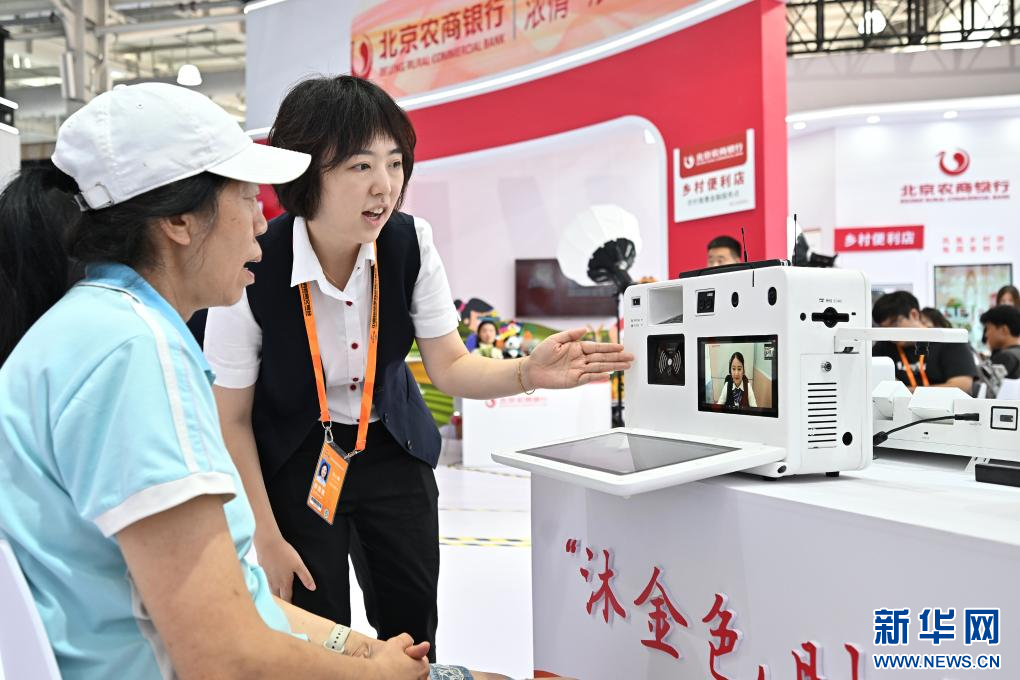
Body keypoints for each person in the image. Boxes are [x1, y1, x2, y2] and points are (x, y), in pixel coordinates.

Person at [0, 82, 541, 680]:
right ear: (178, 221)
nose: (263, 221)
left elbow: (235, 604)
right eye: (245, 197)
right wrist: (380, 673)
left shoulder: (98, 327)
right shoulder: (135, 357)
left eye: (393, 164)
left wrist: (363, 651)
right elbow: (222, 652)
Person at [199, 75, 634, 660]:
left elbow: (450, 365)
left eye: (395, 163)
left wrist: (527, 372)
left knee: (412, 628)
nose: (385, 186)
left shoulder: (409, 243)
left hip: (392, 449)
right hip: (298, 459)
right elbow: (230, 418)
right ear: (306, 173)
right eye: (360, 166)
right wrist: (265, 534)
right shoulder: (258, 261)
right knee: (318, 635)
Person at [872, 291, 976, 393]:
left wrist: (903, 392)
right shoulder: (883, 347)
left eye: (894, 324)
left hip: (942, 403)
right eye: (885, 328)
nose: (891, 333)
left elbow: (962, 386)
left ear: (914, 315)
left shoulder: (948, 341)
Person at [979, 305, 1020, 379]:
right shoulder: (1015, 354)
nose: (986, 334)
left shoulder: (1005, 357)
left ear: (1004, 330)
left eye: (988, 328)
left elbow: (983, 382)